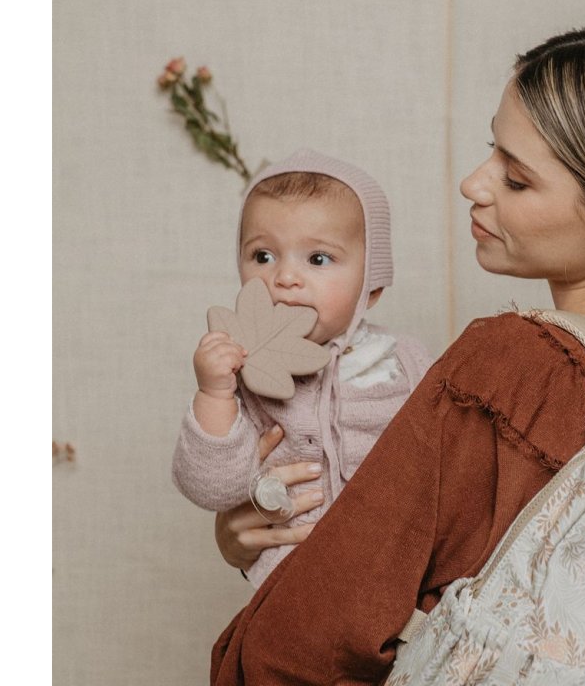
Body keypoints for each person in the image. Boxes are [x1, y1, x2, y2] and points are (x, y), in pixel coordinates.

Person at [209, 21, 585, 684]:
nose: (474, 183)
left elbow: (294, 646)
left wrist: (264, 567)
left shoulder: (514, 371)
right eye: (490, 151)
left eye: (517, 179)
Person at [172, 148, 433, 587]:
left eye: (317, 259)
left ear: (371, 287)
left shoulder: (403, 363)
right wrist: (213, 395)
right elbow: (211, 487)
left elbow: (454, 462)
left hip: (399, 579)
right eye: (262, 256)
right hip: (289, 589)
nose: (285, 278)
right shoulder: (241, 376)